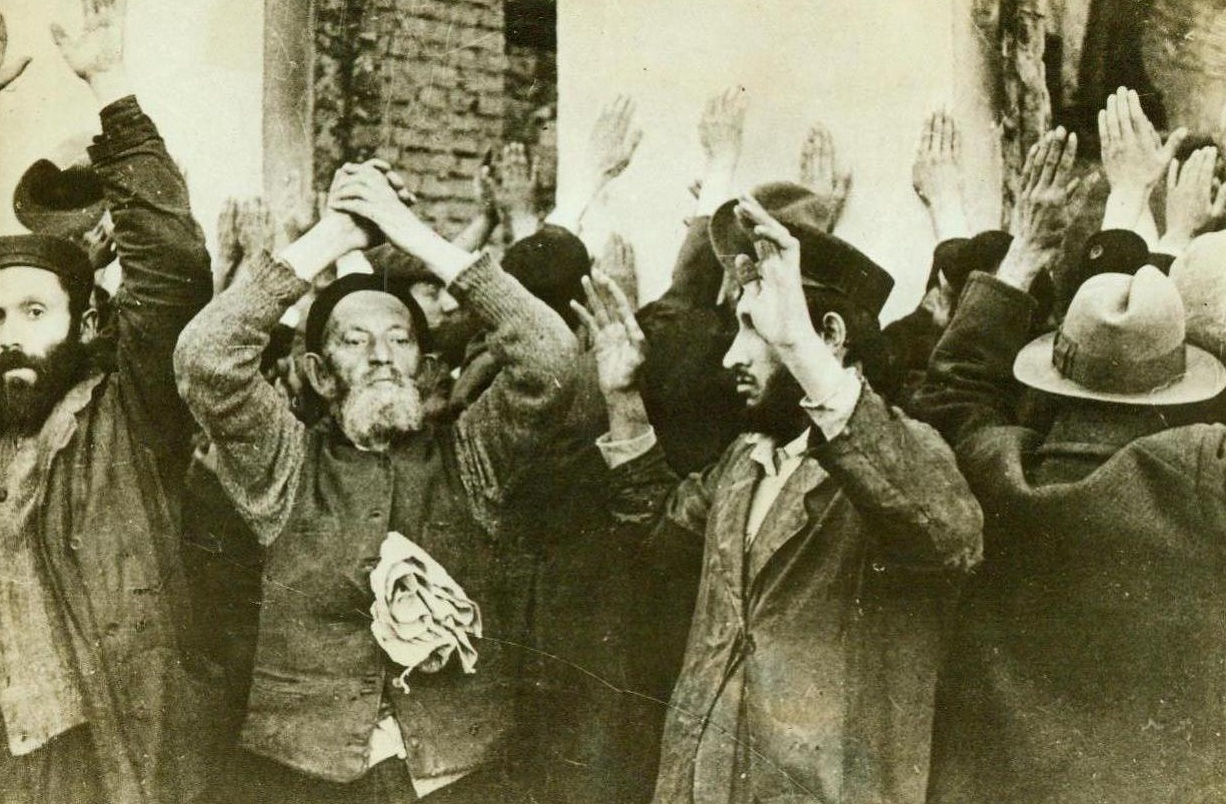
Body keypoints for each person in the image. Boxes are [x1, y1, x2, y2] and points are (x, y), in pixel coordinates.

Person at [174, 157, 578, 803]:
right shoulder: (285, 462)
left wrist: (408, 231)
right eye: (354, 341)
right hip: (303, 775)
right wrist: (337, 234)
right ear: (319, 373)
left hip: (455, 775)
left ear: (426, 368)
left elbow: (551, 358)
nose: (382, 355)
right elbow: (204, 358)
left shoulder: (472, 458)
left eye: (400, 340)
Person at [575, 189, 983, 803]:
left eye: (754, 329)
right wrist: (623, 399)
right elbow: (659, 541)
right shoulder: (746, 459)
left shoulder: (901, 453)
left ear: (829, 334)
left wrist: (799, 346)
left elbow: (950, 538)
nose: (731, 357)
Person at [915, 126, 1226, 803]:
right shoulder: (1202, 480)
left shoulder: (991, 468)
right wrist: (1173, 240)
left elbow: (954, 390)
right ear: (1181, 389)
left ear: (1055, 378)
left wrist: (1022, 257)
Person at [0, 0, 221, 800]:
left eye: (34, 312)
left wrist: (110, 86)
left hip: (100, 759)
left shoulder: (126, 411)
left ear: (86, 319)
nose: (10, 336)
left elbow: (172, 267)